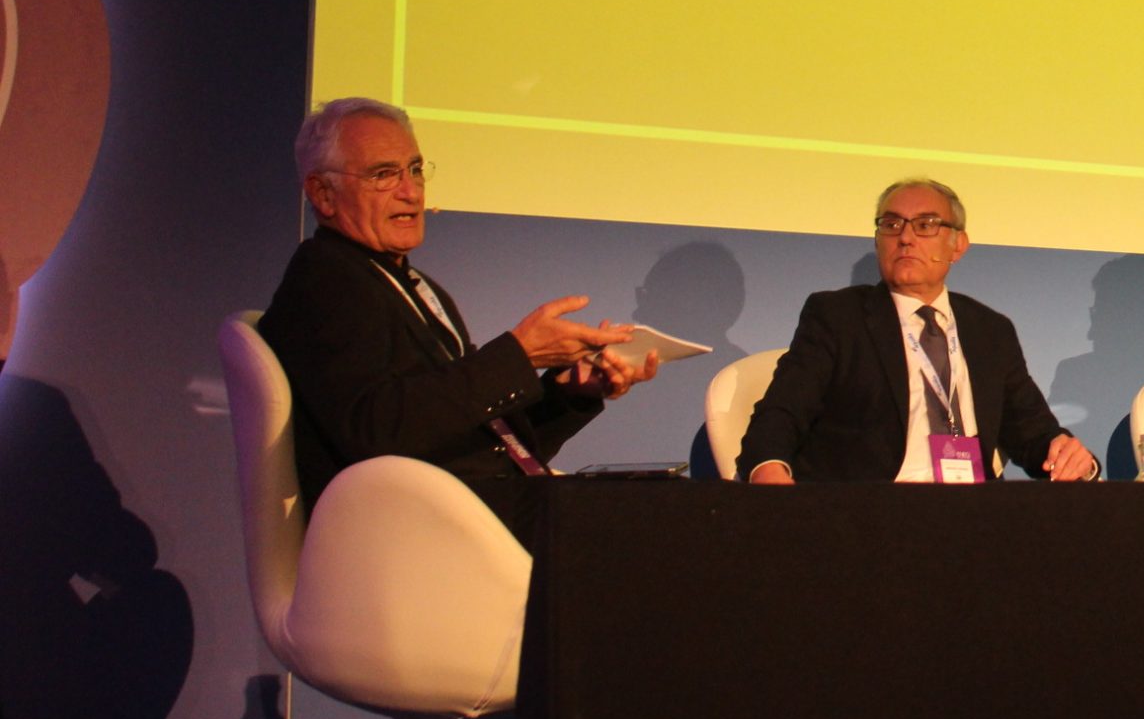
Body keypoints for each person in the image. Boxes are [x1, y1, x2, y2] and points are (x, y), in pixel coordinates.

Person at [258, 98, 657, 541]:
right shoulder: (325, 281)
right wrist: (520, 356)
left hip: (476, 516)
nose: (411, 192)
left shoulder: (407, 284)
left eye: (414, 170)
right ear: (323, 194)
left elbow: (484, 439)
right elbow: (375, 431)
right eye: (383, 174)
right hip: (405, 537)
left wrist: (571, 392)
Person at [739, 179, 1097, 483]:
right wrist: (768, 470)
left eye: (925, 225)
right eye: (892, 224)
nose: (906, 237)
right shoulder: (838, 317)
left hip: (975, 512)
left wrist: (1071, 458)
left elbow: (1033, 433)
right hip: (868, 511)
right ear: (878, 240)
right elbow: (782, 412)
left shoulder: (990, 330)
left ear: (958, 245)